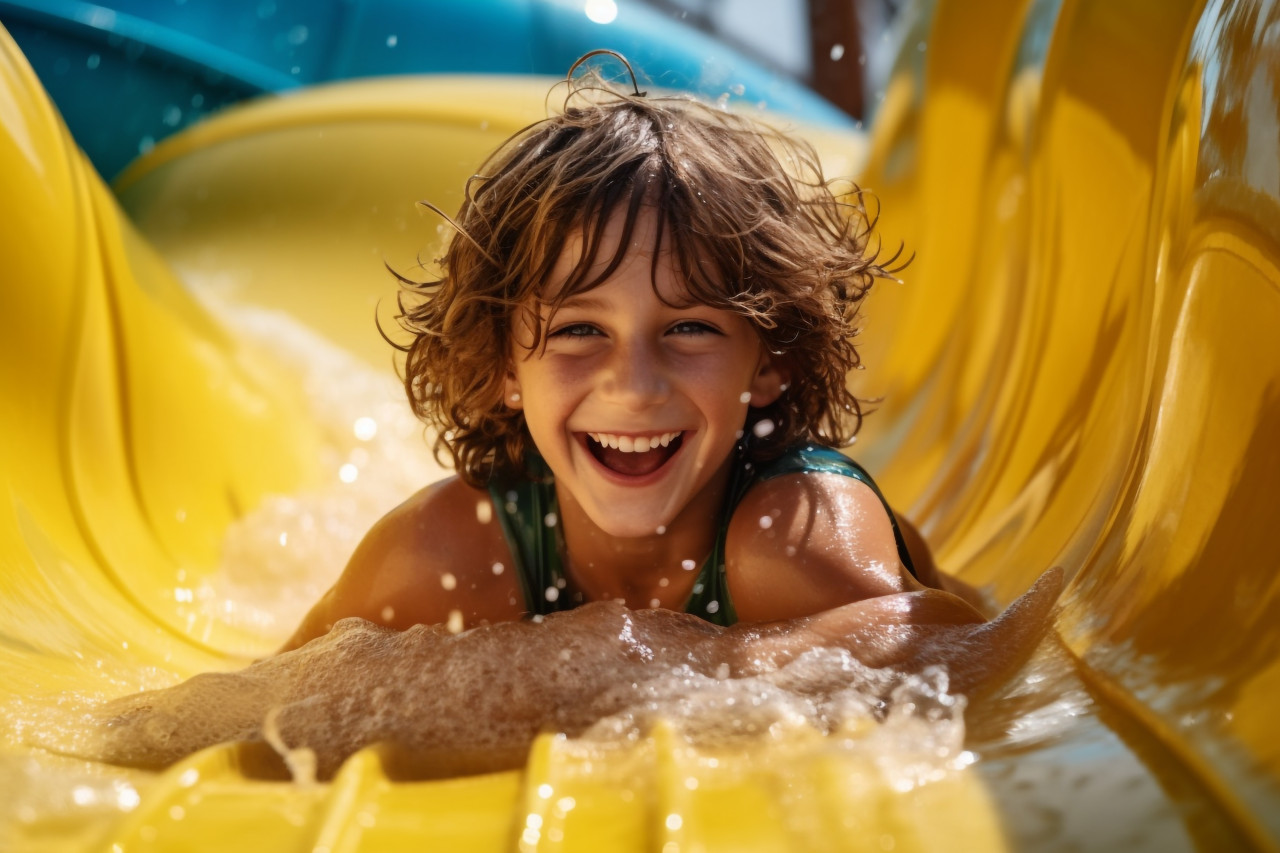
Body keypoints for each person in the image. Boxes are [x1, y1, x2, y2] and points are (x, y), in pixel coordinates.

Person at [279, 54, 958, 654]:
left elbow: (956, 650)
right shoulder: (450, 554)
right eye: (580, 330)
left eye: (690, 327)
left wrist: (653, 674)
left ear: (771, 360)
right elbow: (258, 708)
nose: (633, 386)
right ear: (503, 367)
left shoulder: (790, 539)